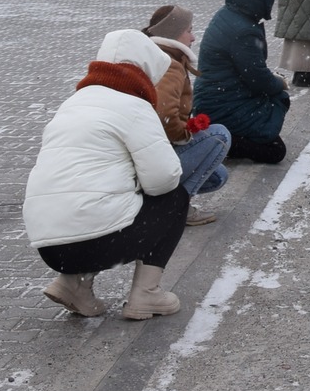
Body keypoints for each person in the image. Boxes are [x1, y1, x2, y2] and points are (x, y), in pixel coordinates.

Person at [23, 28, 189, 320]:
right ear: (148, 69)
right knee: (175, 198)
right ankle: (146, 294)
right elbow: (164, 179)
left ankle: (73, 284)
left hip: (49, 247)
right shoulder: (134, 106)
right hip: (94, 243)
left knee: (95, 205)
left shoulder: (73, 103)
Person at [143, 5, 230, 226]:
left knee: (217, 175)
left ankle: (160, 201)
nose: (193, 37)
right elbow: (164, 116)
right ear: (173, 34)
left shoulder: (154, 55)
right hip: (153, 157)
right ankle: (175, 208)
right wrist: (185, 135)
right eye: (189, 31)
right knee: (220, 135)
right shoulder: (169, 63)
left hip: (147, 154)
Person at [195, 0, 292, 163]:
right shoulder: (243, 30)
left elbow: (252, 72)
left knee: (271, 108)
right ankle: (224, 142)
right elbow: (258, 80)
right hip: (222, 105)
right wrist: (279, 83)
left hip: (213, 100)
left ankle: (231, 136)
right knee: (275, 149)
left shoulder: (228, 15)